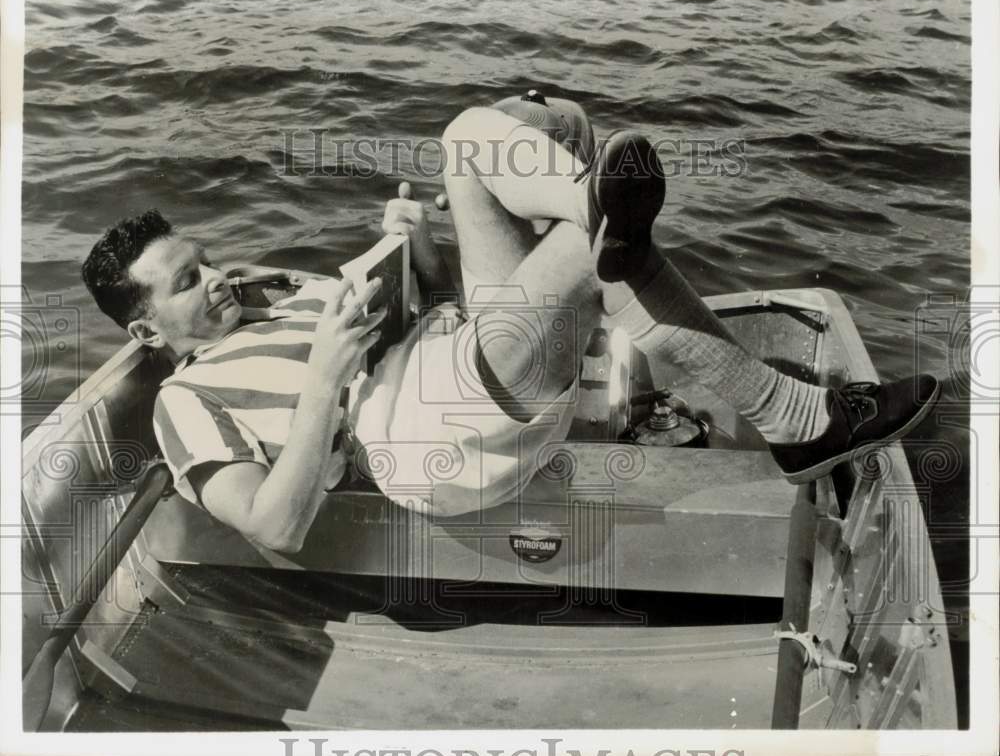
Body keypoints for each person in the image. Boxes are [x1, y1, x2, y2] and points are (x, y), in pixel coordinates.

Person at [81, 94, 939, 553]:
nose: (219, 279)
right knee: (586, 237)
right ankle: (797, 419)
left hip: (459, 356)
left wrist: (412, 259)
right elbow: (275, 525)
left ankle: (592, 201)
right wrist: (322, 378)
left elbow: (415, 311)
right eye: (189, 284)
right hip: (426, 439)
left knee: (493, 135)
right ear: (147, 333)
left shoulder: (269, 291)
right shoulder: (183, 406)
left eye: (207, 259)